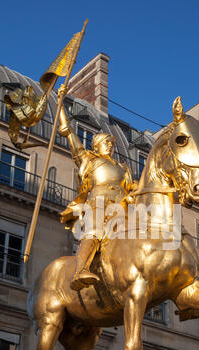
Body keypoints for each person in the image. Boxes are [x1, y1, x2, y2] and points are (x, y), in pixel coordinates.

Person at [58, 89, 135, 291]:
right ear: (96, 146)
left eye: (111, 143)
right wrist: (59, 106)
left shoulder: (123, 167)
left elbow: (132, 188)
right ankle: (80, 270)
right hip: (98, 203)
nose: (109, 146)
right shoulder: (90, 160)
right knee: (94, 233)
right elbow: (69, 133)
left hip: (122, 207)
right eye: (105, 143)